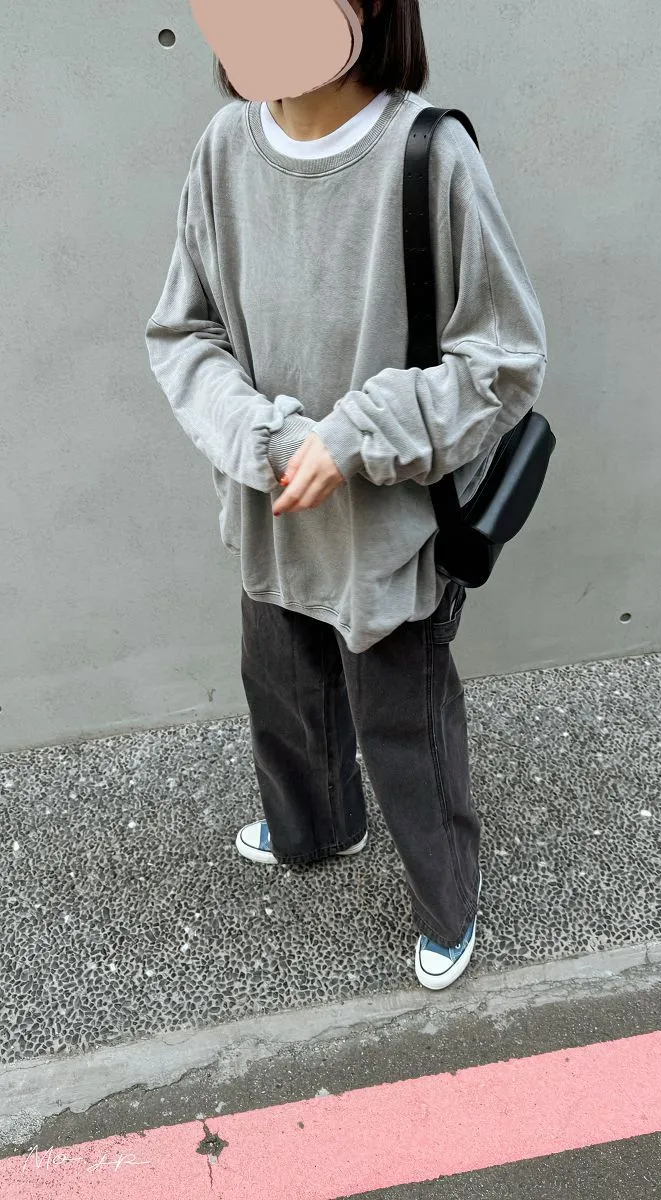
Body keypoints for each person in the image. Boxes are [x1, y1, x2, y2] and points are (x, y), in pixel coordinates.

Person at [145, 0, 547, 990]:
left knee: (406, 731)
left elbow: (502, 359)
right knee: (282, 694)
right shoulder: (225, 146)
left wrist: (354, 435)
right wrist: (268, 439)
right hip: (271, 513)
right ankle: (314, 830)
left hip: (389, 534)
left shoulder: (429, 154)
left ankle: (448, 904)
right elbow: (184, 334)